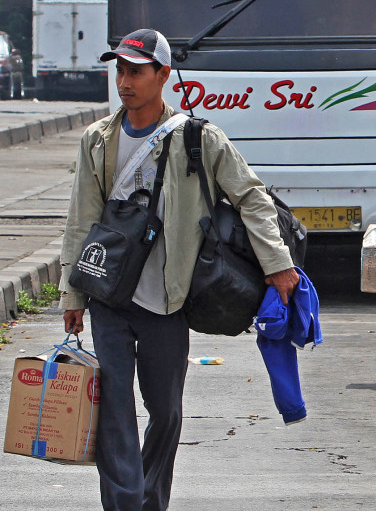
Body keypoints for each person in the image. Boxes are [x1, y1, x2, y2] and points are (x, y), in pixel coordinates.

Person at [58, 28, 299, 511]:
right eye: (120, 71)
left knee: (165, 411)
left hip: (167, 298)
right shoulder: (98, 140)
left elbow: (251, 196)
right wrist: (72, 294)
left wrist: (278, 264)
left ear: (163, 75)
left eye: (136, 71)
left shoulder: (199, 138)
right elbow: (81, 218)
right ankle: (126, 503)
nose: (125, 82)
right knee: (116, 411)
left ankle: (150, 497)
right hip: (109, 295)